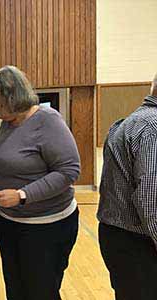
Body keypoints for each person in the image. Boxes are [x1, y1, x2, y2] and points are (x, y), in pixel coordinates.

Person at [0, 65, 81, 300]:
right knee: (16, 289)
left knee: (40, 291)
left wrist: (22, 195)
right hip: (9, 221)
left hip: (47, 226)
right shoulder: (8, 122)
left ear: (11, 94)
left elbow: (69, 171)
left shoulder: (47, 120)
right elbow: (12, 158)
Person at [97, 73, 157, 300]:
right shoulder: (153, 127)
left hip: (121, 238)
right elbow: (152, 199)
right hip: (139, 243)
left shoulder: (128, 121)